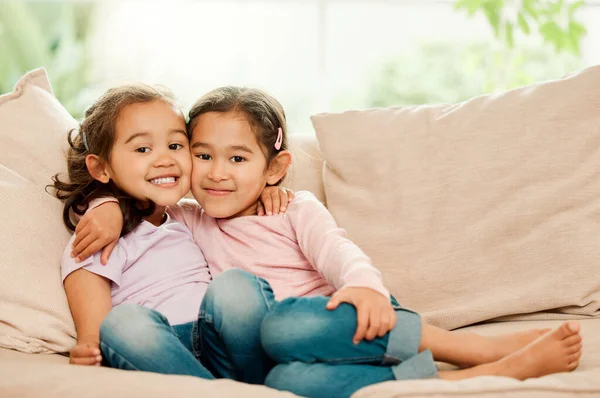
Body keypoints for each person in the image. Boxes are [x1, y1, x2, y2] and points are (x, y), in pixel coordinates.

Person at [77, 86, 582, 398]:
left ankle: (473, 350)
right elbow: (143, 207)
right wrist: (105, 205)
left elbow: (338, 251)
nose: (215, 175)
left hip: (343, 324)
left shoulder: (294, 207)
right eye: (202, 155)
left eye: (237, 159)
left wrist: (364, 286)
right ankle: (471, 379)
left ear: (273, 168)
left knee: (278, 324)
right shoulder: (191, 219)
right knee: (289, 386)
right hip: (276, 363)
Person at [51, 83, 291, 384]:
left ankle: (266, 385)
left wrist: (267, 193)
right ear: (101, 168)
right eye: (142, 149)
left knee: (235, 287)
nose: (165, 159)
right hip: (161, 348)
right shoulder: (101, 231)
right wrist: (88, 341)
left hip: (220, 341)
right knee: (123, 323)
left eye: (176, 146)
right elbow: (86, 284)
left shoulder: (187, 216)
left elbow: (237, 203)